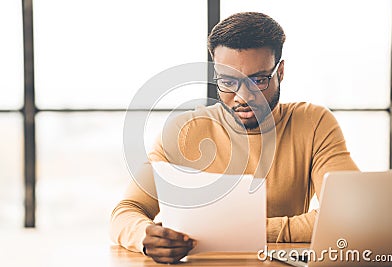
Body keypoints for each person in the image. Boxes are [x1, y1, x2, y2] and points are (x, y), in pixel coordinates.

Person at [110, 12, 358, 264]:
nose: (243, 97)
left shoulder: (313, 123)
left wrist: (249, 231)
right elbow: (126, 211)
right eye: (228, 82)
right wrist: (145, 236)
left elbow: (349, 213)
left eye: (258, 80)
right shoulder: (185, 130)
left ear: (280, 72)